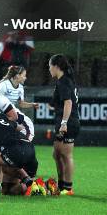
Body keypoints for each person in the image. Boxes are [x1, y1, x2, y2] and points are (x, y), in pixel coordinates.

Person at [49, 54, 80, 196]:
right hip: (62, 121)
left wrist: (64, 123)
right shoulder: (63, 81)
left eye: (50, 66)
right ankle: (61, 185)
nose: (49, 69)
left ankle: (67, 188)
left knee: (66, 155)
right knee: (57, 154)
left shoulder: (64, 82)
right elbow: (61, 103)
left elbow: (68, 103)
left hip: (68, 122)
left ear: (56, 66)